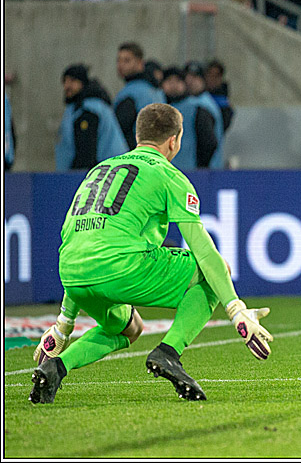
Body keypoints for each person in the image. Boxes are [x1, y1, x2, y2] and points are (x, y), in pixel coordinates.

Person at [30, 103, 273, 404]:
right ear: (174, 141)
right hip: (120, 267)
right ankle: (168, 353)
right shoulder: (169, 176)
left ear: (137, 135)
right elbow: (203, 249)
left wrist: (63, 326)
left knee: (130, 328)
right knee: (214, 270)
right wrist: (236, 310)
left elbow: (81, 242)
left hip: (71, 272)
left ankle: (55, 367)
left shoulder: (98, 170)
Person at [56, 64, 128, 172]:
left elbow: (86, 152)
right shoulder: (84, 107)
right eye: (65, 81)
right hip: (111, 171)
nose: (67, 86)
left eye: (72, 81)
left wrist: (75, 179)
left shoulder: (88, 111)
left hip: (102, 174)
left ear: (82, 83)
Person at [160, 67, 219, 171]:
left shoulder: (197, 109)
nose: (173, 85)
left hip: (190, 172)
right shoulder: (157, 110)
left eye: (177, 81)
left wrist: (200, 168)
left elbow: (209, 142)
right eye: (169, 81)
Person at [113, 42, 165, 149]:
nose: (121, 65)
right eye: (119, 60)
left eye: (127, 60)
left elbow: (120, 130)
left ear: (140, 63)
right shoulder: (156, 90)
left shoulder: (131, 94)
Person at [184, 62, 225, 170]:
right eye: (187, 77)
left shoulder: (205, 106)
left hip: (205, 169)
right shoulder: (188, 103)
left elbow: (209, 142)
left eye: (195, 77)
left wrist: (202, 166)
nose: (190, 81)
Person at [203, 60, 234, 131]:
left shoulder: (224, 105)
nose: (212, 79)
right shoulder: (196, 97)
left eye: (216, 76)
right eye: (210, 75)